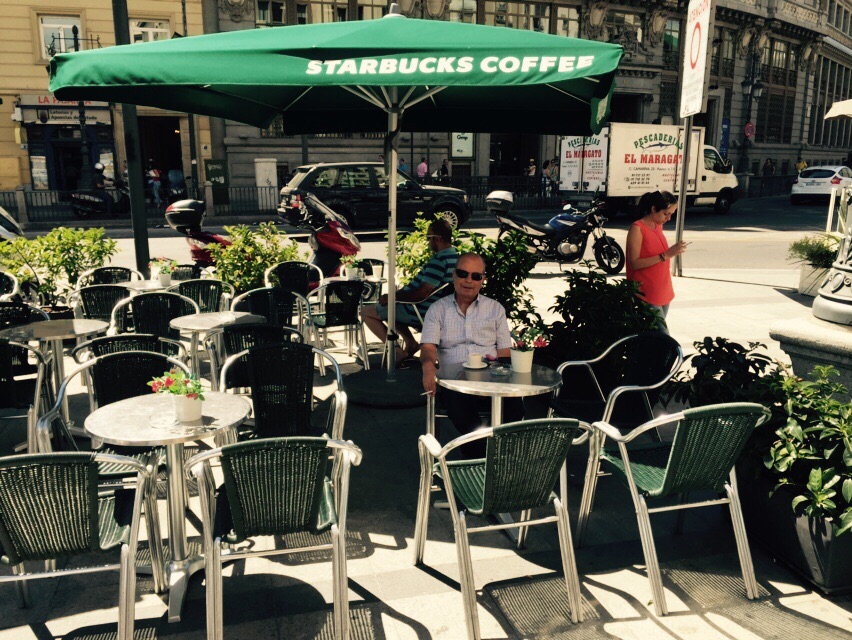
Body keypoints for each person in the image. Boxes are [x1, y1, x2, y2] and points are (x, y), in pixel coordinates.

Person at [420, 253, 523, 457]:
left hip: (492, 380)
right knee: (461, 410)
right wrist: (428, 366)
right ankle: (483, 454)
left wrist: (508, 379)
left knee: (515, 408)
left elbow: (504, 353)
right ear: (454, 275)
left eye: (476, 276)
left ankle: (483, 453)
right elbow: (428, 347)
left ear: (483, 279)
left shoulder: (495, 309)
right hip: (455, 383)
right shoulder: (438, 309)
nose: (469, 280)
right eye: (463, 274)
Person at [362, 219, 457, 363]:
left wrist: (394, 297)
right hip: (432, 308)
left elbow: (421, 293)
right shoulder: (455, 256)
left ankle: (396, 351)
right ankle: (410, 343)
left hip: (420, 310)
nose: (427, 241)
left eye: (428, 237)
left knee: (366, 312)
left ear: (437, 239)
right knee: (390, 309)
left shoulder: (439, 261)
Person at [625, 191, 686, 333]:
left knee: (654, 337)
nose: (669, 218)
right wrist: (666, 255)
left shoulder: (657, 225)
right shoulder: (637, 228)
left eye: (671, 214)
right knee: (664, 337)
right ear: (653, 209)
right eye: (666, 214)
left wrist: (671, 252)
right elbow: (634, 263)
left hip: (663, 289)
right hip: (646, 293)